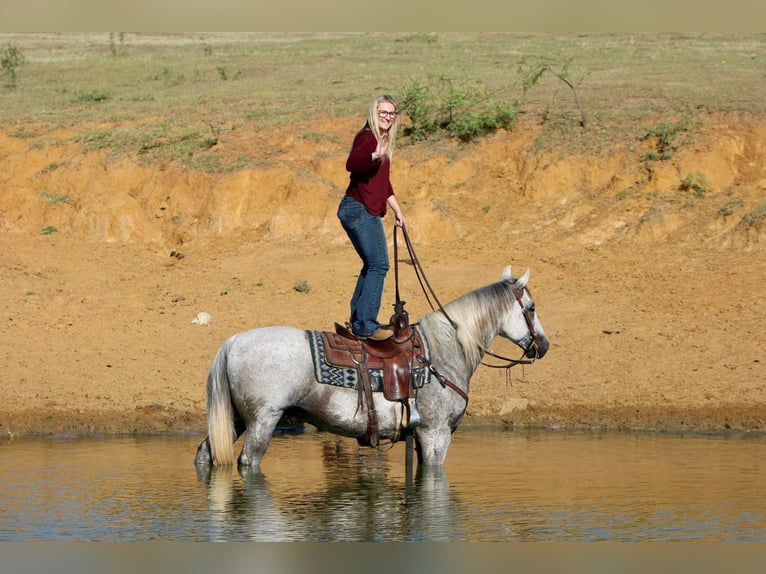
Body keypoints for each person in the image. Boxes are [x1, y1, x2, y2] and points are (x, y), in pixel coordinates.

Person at [337, 94, 406, 342]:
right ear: (374, 114)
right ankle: (366, 325)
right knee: (379, 265)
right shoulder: (367, 137)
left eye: (391, 113)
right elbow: (352, 163)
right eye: (382, 113)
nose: (387, 117)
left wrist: (398, 210)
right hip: (359, 208)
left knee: (371, 264)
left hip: (357, 208)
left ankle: (358, 319)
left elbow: (382, 182)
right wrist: (373, 156)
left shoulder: (384, 139)